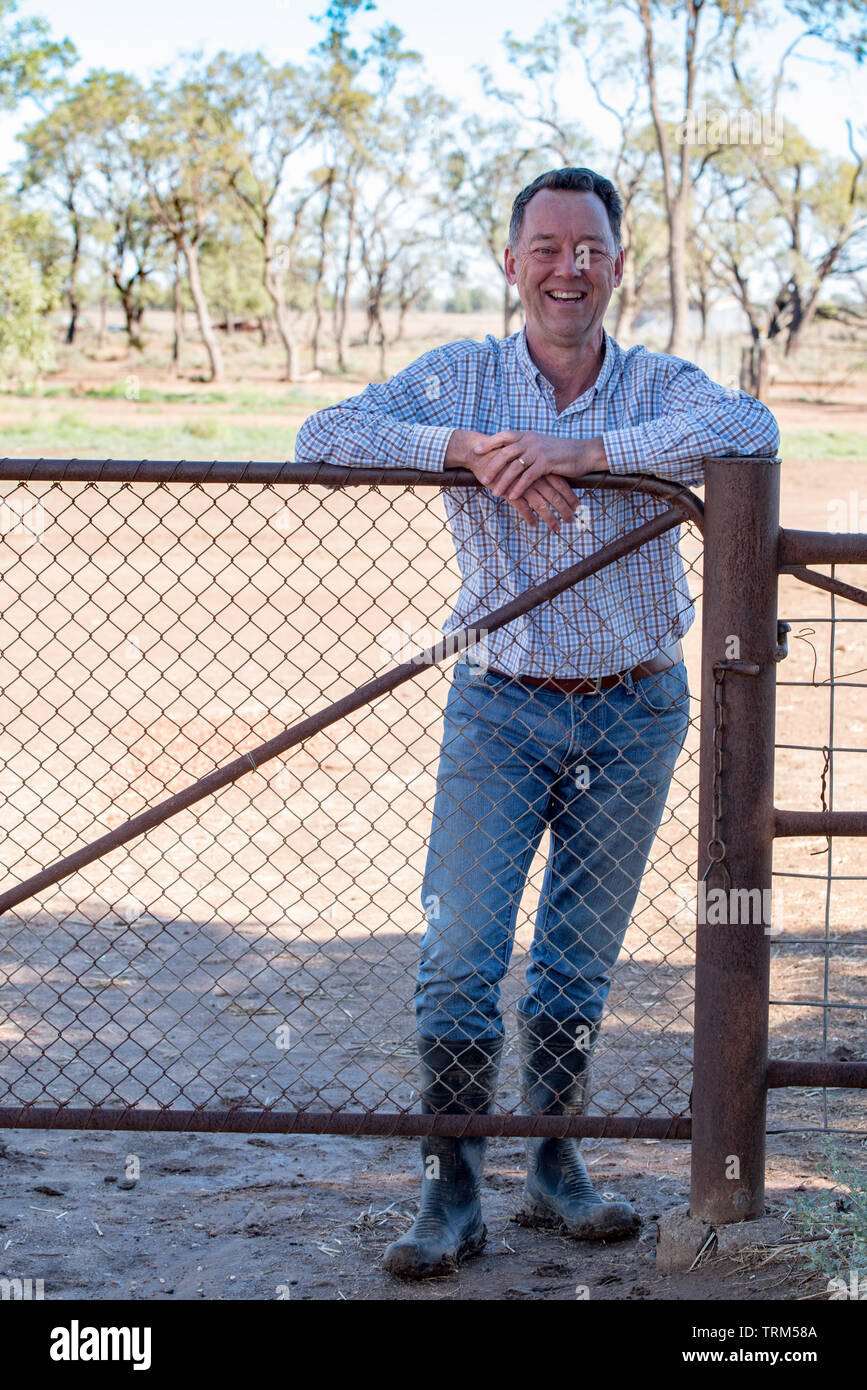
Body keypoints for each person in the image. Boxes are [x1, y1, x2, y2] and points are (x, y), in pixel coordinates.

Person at [294, 166, 780, 1279]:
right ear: (510, 262)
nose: (571, 269)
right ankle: (451, 1186)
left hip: (635, 707)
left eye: (591, 248)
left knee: (575, 962)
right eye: (549, 248)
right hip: (500, 705)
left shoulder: (658, 383)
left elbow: (746, 427)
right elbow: (323, 435)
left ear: (617, 262)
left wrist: (582, 454)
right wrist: (471, 450)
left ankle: (556, 1167)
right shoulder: (460, 375)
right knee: (461, 950)